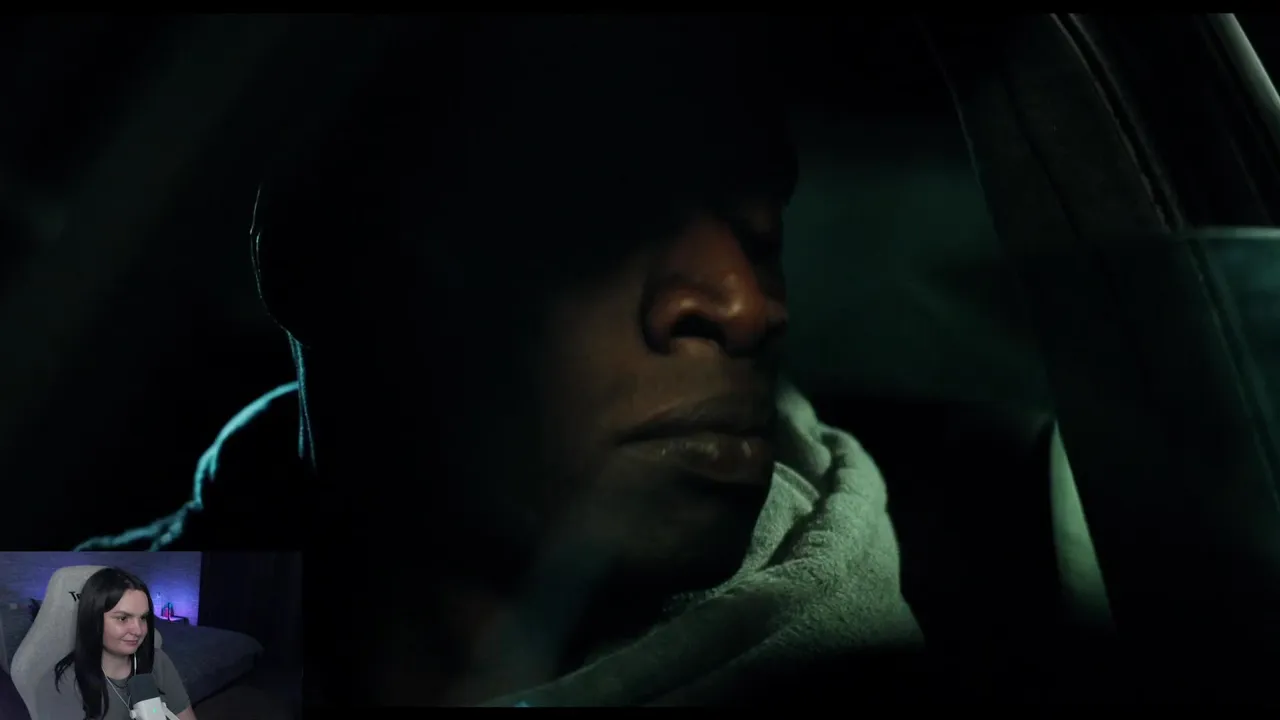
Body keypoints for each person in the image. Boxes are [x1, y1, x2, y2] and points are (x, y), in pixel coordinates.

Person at [78, 17, 924, 706]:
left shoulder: (896, 671)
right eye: (597, 202)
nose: (745, 304)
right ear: (310, 258)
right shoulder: (78, 665)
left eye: (762, 228)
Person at [33, 567, 194, 720]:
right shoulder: (62, 683)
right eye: (123, 618)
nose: (138, 630)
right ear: (93, 619)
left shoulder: (158, 661)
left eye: (143, 618)